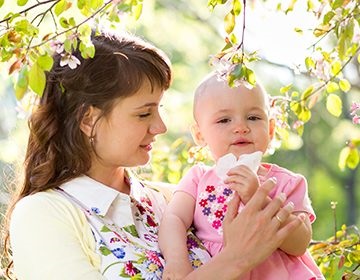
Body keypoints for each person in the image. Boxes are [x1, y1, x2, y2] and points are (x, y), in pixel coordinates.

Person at [2, 31, 304, 280]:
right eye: (144, 113)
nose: (160, 126)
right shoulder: (43, 215)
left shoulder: (169, 200)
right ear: (88, 120)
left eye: (159, 109)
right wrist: (234, 260)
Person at [158, 72, 325, 279]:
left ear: (271, 129)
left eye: (253, 118)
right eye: (224, 120)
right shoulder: (198, 178)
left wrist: (259, 199)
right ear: (200, 135)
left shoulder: (286, 182)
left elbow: (300, 243)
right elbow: (173, 219)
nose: (240, 128)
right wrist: (176, 260)